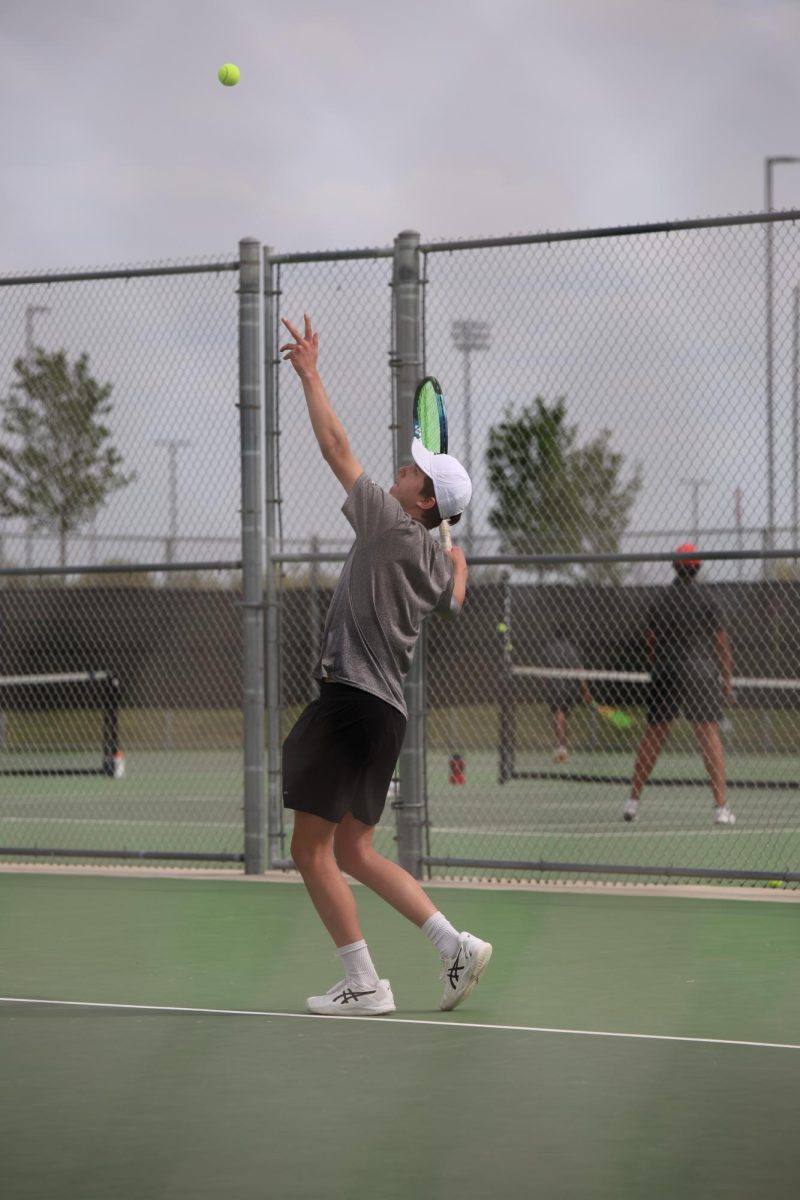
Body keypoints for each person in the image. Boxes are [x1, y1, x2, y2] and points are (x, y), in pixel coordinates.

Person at [279, 314, 493, 1017]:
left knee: (310, 850)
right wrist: (457, 559)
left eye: (408, 472)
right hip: (386, 715)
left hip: (350, 703)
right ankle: (452, 944)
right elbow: (456, 589)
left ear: (422, 500)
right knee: (355, 851)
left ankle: (365, 984)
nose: (396, 473)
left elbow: (335, 446)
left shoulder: (390, 524)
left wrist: (310, 373)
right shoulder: (435, 556)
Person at [623, 543, 736, 825]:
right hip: (701, 674)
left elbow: (650, 640)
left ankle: (632, 802)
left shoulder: (661, 599)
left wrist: (659, 663)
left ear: (675, 566)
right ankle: (721, 809)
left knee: (653, 735)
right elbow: (721, 643)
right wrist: (727, 679)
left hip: (666, 672)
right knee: (709, 735)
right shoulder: (708, 599)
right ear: (697, 567)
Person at [540, 623, 592, 763]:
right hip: (571, 689)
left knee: (559, 717)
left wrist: (545, 687)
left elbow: (544, 673)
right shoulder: (573, 649)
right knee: (562, 718)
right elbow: (580, 671)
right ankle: (563, 748)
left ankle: (561, 749)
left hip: (556, 688)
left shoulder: (548, 649)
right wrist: (585, 691)